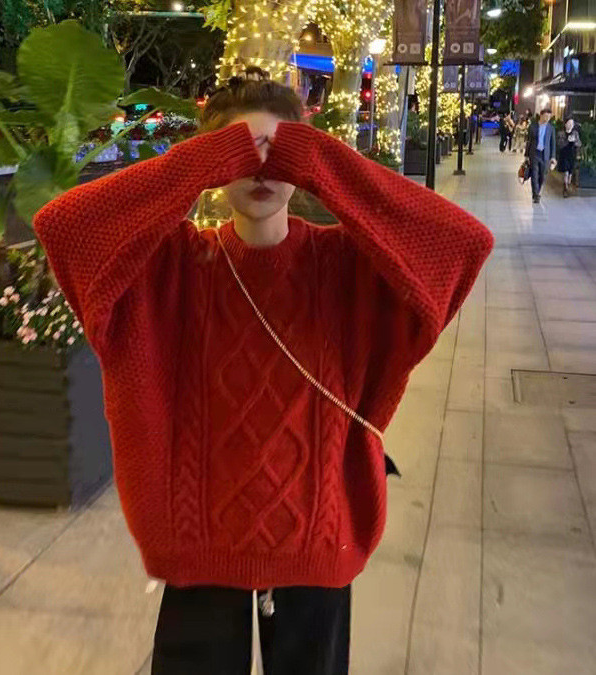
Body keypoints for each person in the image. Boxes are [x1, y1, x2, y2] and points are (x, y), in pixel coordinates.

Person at [33, 73, 493, 674]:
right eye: (239, 151)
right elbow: (66, 227)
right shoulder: (175, 270)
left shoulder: (342, 266)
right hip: (197, 540)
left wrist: (321, 161)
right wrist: (194, 165)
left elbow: (460, 242)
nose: (260, 168)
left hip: (317, 533)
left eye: (278, 151)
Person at [526, 107, 557, 203]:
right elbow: (529, 141)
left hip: (545, 155)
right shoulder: (533, 127)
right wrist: (526, 155)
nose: (547, 118)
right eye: (546, 116)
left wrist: (553, 157)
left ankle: (538, 191)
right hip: (534, 153)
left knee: (542, 176)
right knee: (534, 175)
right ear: (541, 115)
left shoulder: (551, 128)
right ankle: (535, 195)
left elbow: (552, 143)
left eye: (549, 117)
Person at [558, 117, 581, 198]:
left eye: (572, 124)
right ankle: (565, 187)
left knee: (570, 172)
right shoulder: (561, 133)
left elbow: (579, 143)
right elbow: (560, 145)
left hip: (572, 155)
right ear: (565, 124)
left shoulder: (575, 133)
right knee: (566, 172)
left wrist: (574, 141)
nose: (570, 125)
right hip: (564, 155)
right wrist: (567, 141)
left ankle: (568, 183)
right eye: (569, 123)